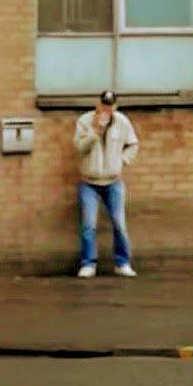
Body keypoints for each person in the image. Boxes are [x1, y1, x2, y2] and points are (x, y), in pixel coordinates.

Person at [73, 91, 138, 277]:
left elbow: (133, 144)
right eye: (103, 105)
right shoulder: (84, 121)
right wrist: (95, 131)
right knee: (89, 224)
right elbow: (79, 147)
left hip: (113, 181)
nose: (106, 109)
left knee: (119, 223)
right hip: (89, 182)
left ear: (115, 107)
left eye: (110, 106)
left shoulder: (122, 122)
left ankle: (122, 262)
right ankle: (88, 263)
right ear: (97, 105)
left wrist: (122, 161)